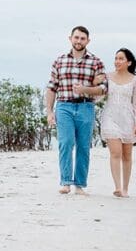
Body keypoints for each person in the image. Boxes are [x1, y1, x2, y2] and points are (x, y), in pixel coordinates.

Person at [45, 26, 106, 195]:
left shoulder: (96, 62)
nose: (79, 41)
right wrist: (50, 112)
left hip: (86, 106)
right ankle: (65, 182)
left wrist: (85, 89)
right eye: (76, 37)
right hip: (64, 105)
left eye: (82, 38)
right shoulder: (59, 61)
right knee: (65, 143)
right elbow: (51, 88)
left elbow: (103, 88)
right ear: (70, 38)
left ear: (88, 41)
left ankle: (79, 185)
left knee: (83, 146)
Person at [98, 48, 136, 198]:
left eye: (120, 59)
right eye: (116, 58)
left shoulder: (135, 80)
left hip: (128, 119)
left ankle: (125, 188)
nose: (117, 61)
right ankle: (117, 187)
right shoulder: (107, 77)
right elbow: (98, 94)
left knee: (127, 155)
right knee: (115, 152)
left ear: (128, 62)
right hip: (110, 117)